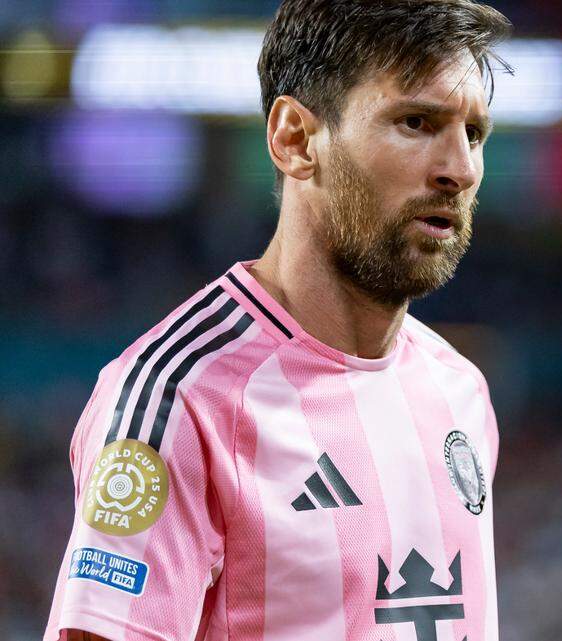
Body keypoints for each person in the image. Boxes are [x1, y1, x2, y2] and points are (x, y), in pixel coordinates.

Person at [43, 1, 511, 639]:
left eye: (474, 134)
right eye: (415, 122)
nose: (459, 169)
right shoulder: (179, 399)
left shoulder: (459, 390)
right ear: (295, 139)